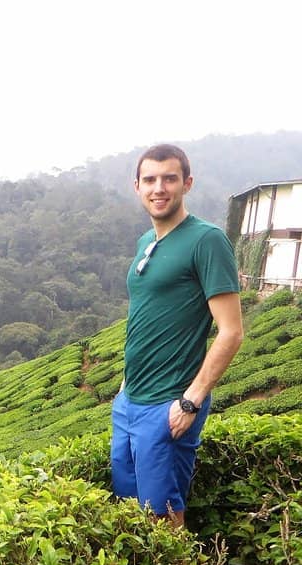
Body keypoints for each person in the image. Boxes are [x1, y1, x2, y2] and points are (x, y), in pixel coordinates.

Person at [110, 144, 244, 528]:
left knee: (163, 517)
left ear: (187, 183)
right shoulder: (144, 243)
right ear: (137, 186)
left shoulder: (206, 240)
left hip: (168, 404)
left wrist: (191, 401)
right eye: (149, 179)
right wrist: (123, 387)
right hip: (130, 402)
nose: (159, 188)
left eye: (169, 178)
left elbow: (231, 332)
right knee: (128, 510)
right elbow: (145, 314)